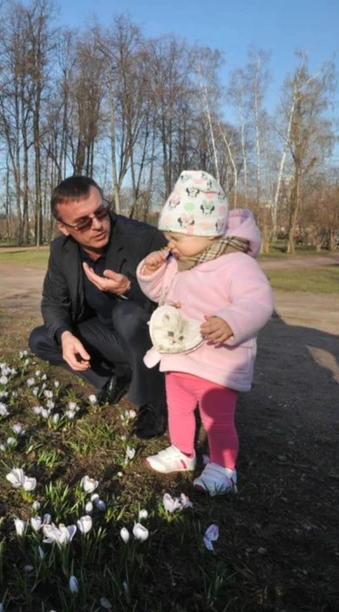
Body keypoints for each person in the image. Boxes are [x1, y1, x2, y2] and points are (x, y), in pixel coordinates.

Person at [137, 170, 273, 496]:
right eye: (169, 239)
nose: (171, 246)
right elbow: (162, 294)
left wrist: (232, 321)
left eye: (176, 239)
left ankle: (224, 469)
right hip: (179, 356)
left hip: (218, 361)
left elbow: (258, 301)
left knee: (217, 420)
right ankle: (183, 452)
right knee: (179, 407)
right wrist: (151, 273)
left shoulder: (237, 264)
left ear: (207, 233)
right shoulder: (182, 262)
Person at [28, 175, 169, 439]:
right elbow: (53, 302)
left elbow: (179, 299)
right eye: (83, 222)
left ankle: (154, 400)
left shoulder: (144, 239)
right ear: (63, 227)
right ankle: (114, 379)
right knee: (42, 338)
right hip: (106, 338)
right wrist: (66, 335)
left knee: (126, 314)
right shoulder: (61, 250)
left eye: (101, 212)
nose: (98, 225)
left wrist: (130, 289)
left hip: (151, 342)